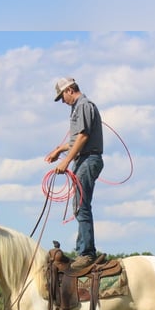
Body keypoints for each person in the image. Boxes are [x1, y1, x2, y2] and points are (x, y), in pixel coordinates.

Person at [45, 78, 104, 270]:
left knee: (81, 205)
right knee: (80, 204)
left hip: (87, 159)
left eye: (62, 96)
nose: (63, 101)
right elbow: (77, 138)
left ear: (70, 90)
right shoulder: (79, 107)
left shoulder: (84, 106)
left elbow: (83, 137)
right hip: (84, 159)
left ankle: (86, 253)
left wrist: (65, 160)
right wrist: (59, 150)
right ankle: (84, 250)